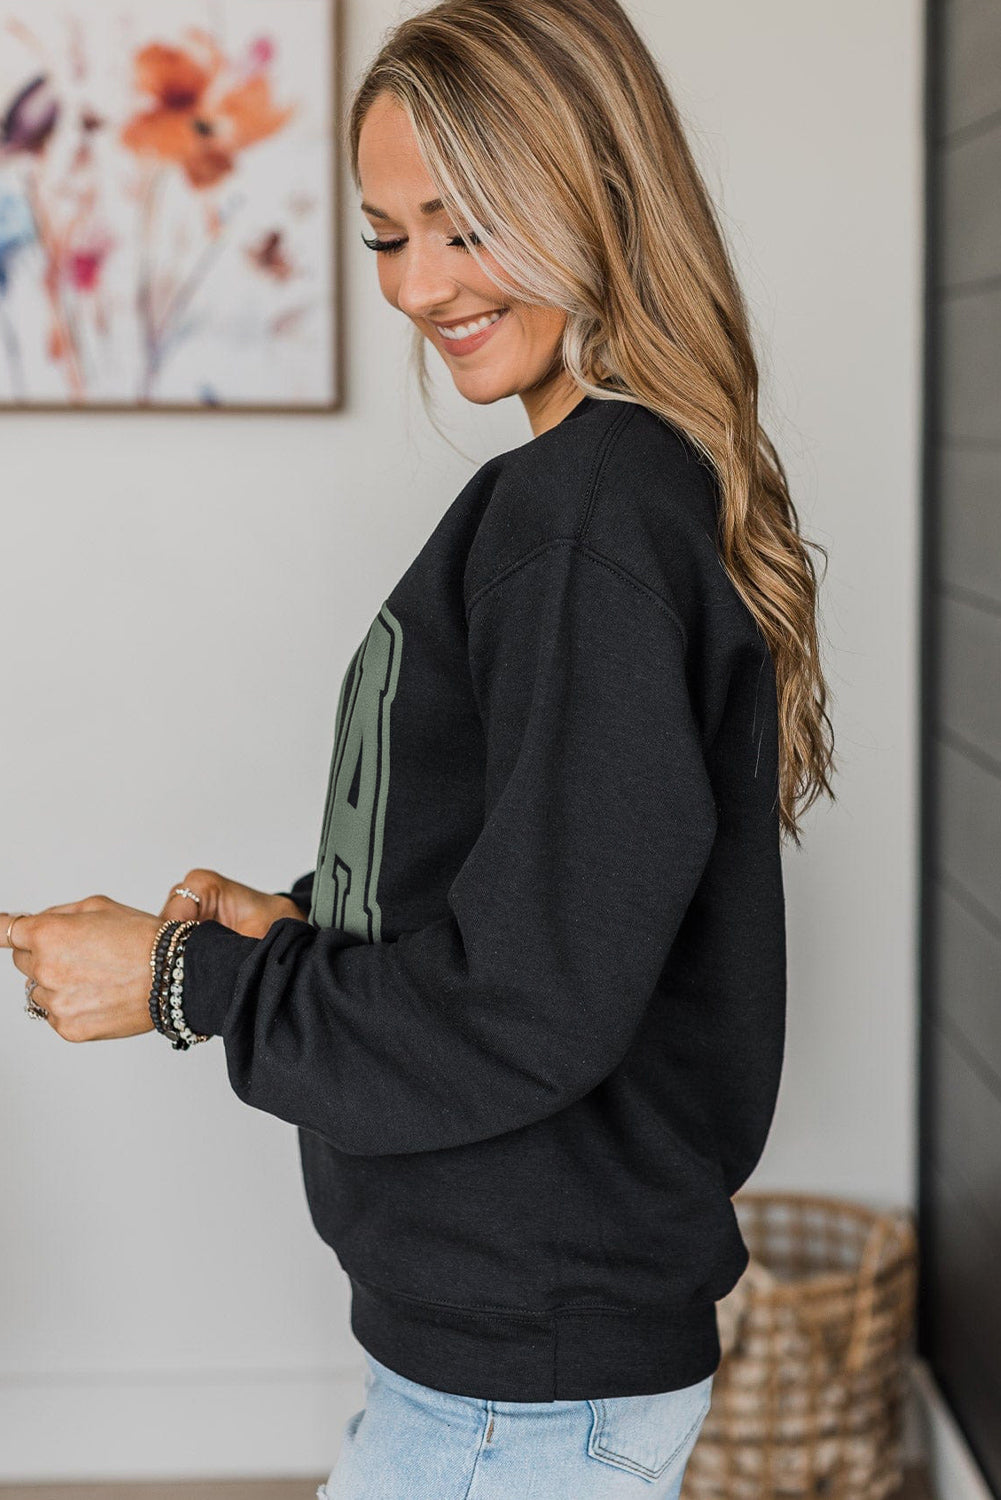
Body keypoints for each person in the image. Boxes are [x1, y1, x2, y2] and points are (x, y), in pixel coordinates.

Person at [1, 0, 836, 1495]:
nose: (420, 285)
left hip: (522, 1380)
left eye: (466, 226)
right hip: (502, 1361)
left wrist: (185, 981)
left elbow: (527, 1005)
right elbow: (528, 902)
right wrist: (305, 924)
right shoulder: (582, 499)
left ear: (595, 194)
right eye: (388, 237)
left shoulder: (586, 521)